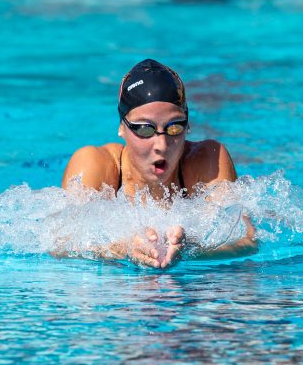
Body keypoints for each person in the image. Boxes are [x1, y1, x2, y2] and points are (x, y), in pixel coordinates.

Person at [61, 59, 256, 268]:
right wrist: (123, 249)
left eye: (174, 127)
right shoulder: (96, 164)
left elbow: (247, 240)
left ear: (188, 125)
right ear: (121, 127)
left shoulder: (208, 159)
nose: (161, 145)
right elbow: (60, 243)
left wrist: (191, 249)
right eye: (145, 128)